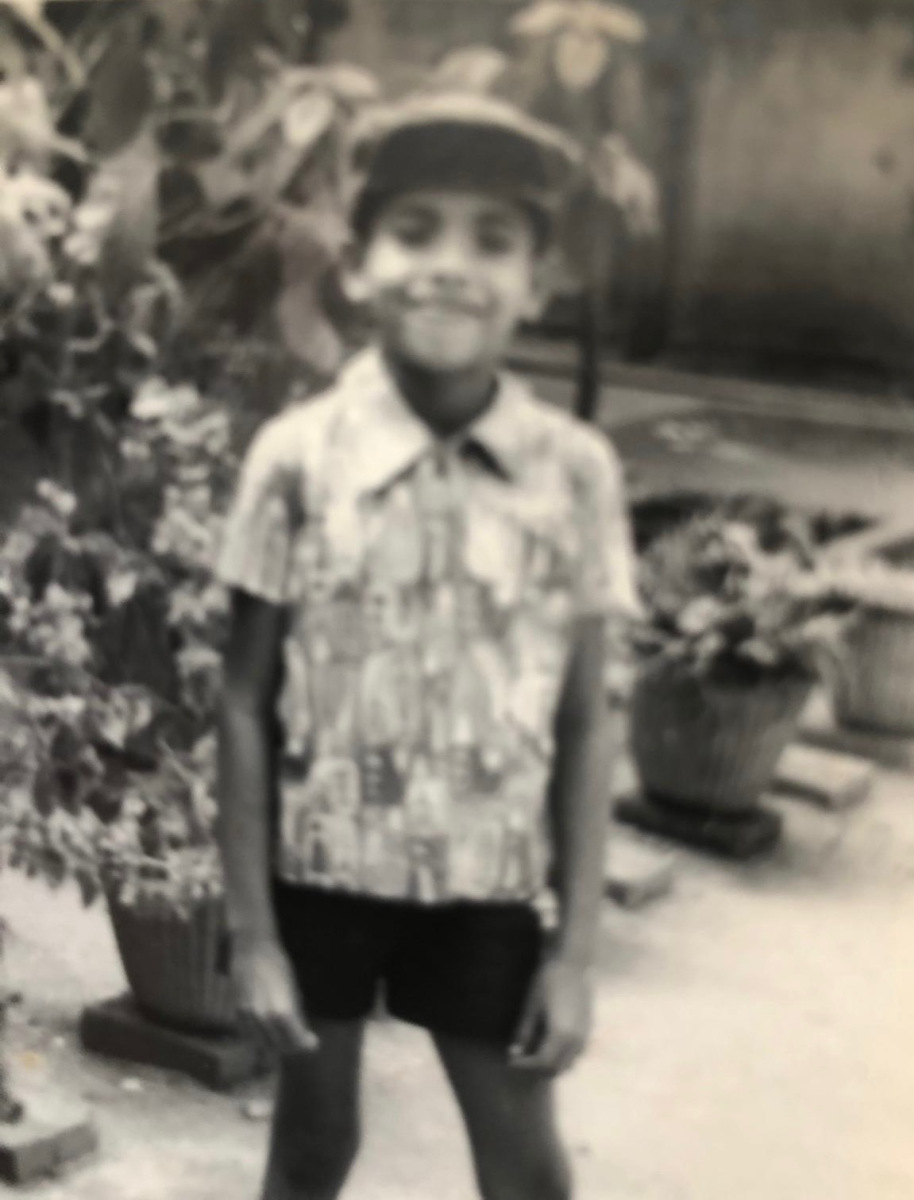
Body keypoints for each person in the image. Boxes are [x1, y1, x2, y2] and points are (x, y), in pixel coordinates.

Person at [216, 90, 639, 1200]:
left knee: (527, 1172)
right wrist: (254, 938)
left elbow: (587, 719)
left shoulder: (572, 473)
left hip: (484, 886)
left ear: (537, 284)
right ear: (356, 265)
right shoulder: (297, 457)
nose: (450, 266)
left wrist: (573, 957)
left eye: (492, 240)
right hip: (318, 876)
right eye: (415, 232)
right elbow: (243, 700)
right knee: (313, 1148)